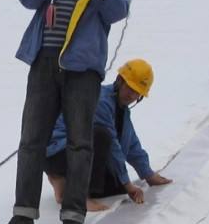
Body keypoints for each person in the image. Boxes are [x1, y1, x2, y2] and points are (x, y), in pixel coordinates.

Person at [0, 0, 133, 224]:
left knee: (80, 142)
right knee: (31, 140)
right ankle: (23, 215)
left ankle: (74, 212)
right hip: (44, 62)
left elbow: (117, 12)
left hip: (82, 69)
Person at [45, 59, 172, 212]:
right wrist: (128, 184)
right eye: (130, 88)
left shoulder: (122, 109)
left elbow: (131, 144)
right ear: (119, 81)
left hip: (73, 153)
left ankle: (64, 185)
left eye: (137, 92)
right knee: (101, 136)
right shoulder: (101, 100)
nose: (132, 95)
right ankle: (78, 197)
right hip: (58, 152)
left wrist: (148, 174)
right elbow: (112, 145)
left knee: (118, 187)